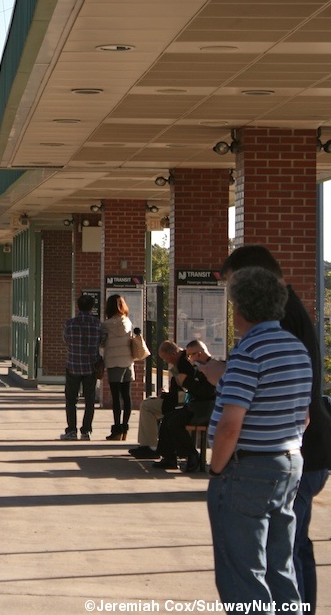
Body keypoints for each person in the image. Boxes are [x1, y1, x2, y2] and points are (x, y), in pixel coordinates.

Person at [203, 244, 331, 610]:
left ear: (239, 309)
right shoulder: (297, 349)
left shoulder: (248, 351)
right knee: (282, 564)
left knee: (242, 570)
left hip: (247, 468)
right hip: (289, 461)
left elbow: (231, 424)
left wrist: (216, 468)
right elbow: (304, 413)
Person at [152, 340, 215, 473]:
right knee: (168, 419)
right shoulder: (198, 366)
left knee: (174, 422)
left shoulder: (212, 368)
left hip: (205, 409)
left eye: (191, 355)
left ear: (199, 354)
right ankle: (169, 457)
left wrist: (186, 382)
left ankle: (191, 454)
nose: (188, 358)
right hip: (196, 406)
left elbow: (207, 392)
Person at [129, 340, 185, 459]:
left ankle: (150, 446)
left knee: (146, 406)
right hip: (177, 401)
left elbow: (181, 392)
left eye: (166, 358)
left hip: (177, 404)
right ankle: (147, 444)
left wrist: (165, 395)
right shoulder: (182, 361)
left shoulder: (182, 364)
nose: (167, 361)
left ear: (173, 354)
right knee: (148, 403)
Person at [60, 294, 101, 441]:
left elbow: (66, 340)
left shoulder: (70, 323)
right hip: (90, 367)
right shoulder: (97, 324)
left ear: (78, 306)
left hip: (73, 365)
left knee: (71, 400)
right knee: (89, 400)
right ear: (92, 307)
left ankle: (71, 430)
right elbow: (101, 342)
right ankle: (86, 431)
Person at [100, 294, 135, 440]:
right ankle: (125, 428)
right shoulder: (127, 322)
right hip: (128, 362)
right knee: (127, 396)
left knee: (116, 398)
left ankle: (116, 429)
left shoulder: (105, 325)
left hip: (114, 363)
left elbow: (102, 343)